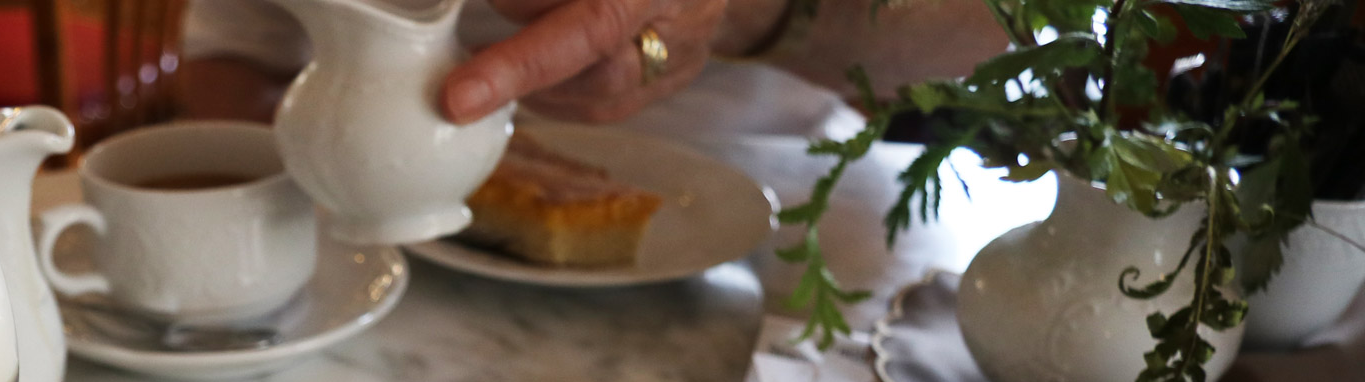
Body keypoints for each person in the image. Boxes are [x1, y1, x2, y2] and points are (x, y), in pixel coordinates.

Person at [183, 0, 1008, 138]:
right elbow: (229, 53)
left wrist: (746, 12)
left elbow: (1009, 35)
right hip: (388, 285)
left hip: (773, 271)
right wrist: (353, 154)